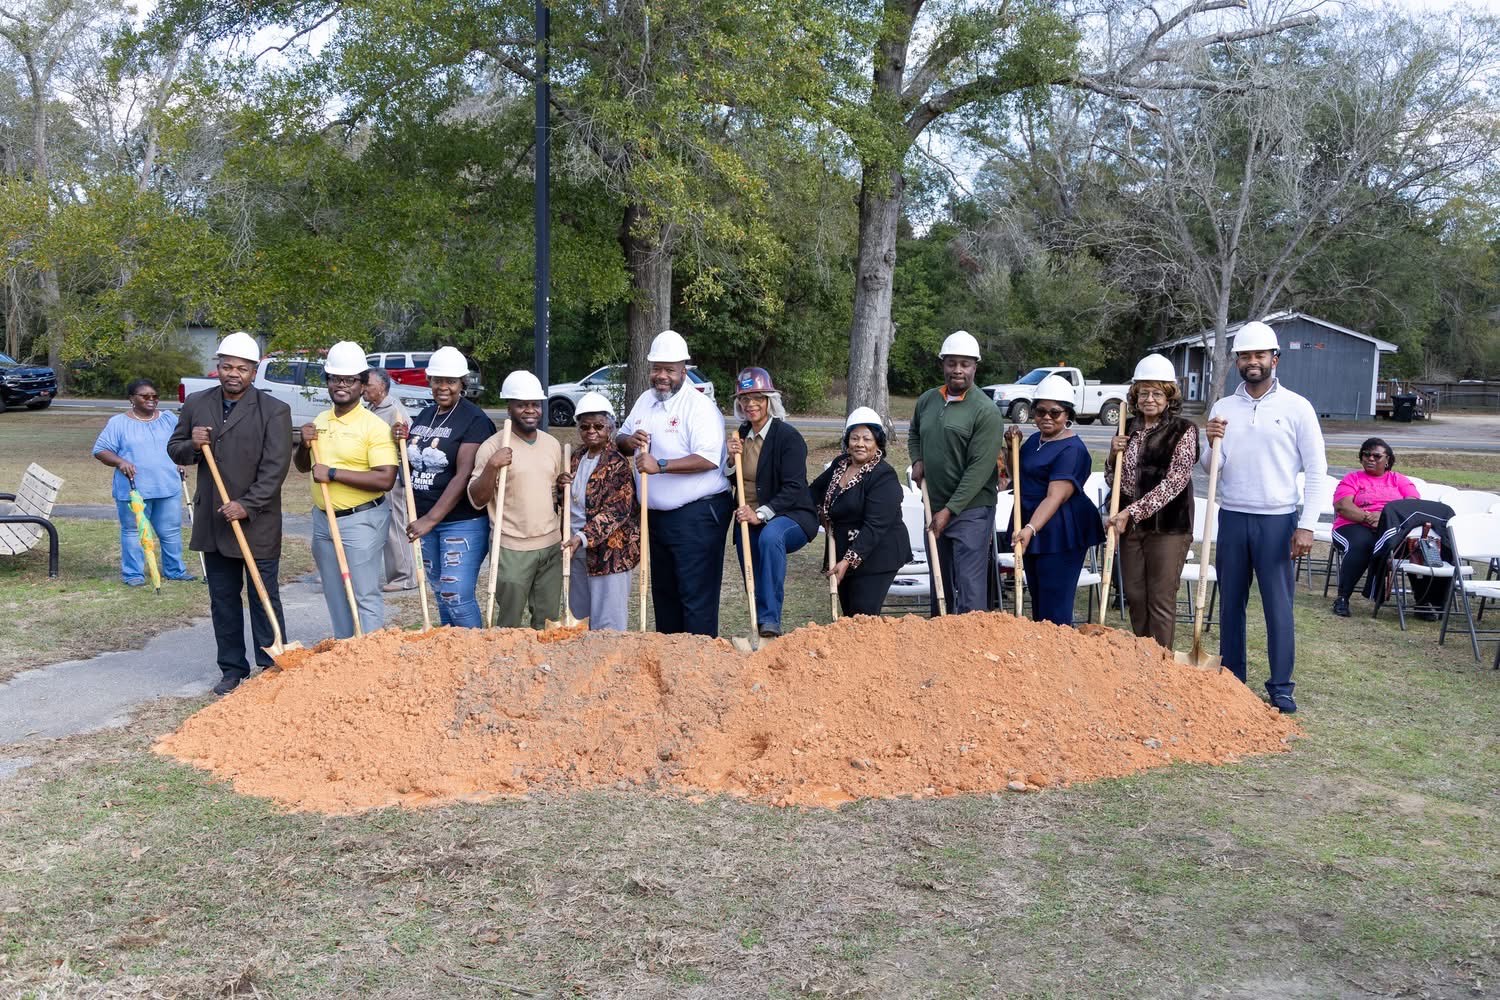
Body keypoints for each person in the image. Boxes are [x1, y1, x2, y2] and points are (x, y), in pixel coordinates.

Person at [1205, 320, 1330, 714]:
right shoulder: (1224, 408)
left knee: (1278, 606)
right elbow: (1213, 468)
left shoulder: (1297, 407)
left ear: (1275, 359)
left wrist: (1307, 523)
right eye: (1245, 356)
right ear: (1237, 362)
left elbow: (1316, 469)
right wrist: (1210, 443)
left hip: (1277, 520)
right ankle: (1232, 678)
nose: (1252, 362)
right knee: (1231, 603)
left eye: (1260, 355)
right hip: (1234, 515)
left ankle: (1281, 686)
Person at [167, 331, 292, 695]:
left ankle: (270, 664)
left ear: (254, 371)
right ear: (217, 368)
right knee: (222, 600)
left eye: (241, 368)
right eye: (226, 367)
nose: (232, 374)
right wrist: (193, 443)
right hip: (214, 522)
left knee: (262, 595)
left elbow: (275, 469)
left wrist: (247, 504)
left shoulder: (274, 411)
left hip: (257, 523)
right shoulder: (197, 403)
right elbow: (175, 448)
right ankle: (232, 669)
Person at [616, 330, 733, 636]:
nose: (662, 376)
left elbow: (708, 458)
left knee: (695, 596)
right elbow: (620, 439)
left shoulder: (698, 407)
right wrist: (631, 440)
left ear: (684, 370)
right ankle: (669, 662)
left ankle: (697, 666)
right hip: (657, 517)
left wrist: (661, 465)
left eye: (670, 369)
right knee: (665, 595)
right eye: (657, 368)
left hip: (697, 515)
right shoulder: (645, 400)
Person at [294, 342, 397, 639]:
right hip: (323, 519)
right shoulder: (320, 421)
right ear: (327, 381)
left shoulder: (373, 426)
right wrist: (303, 445)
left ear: (362, 384)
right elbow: (304, 467)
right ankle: (344, 651)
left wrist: (335, 474)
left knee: (363, 593)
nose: (341, 385)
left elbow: (384, 479)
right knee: (334, 591)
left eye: (349, 380)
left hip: (360, 521)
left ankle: (370, 656)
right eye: (335, 378)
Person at [394, 347, 495, 627]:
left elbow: (463, 475)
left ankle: (474, 656)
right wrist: (401, 439)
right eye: (437, 380)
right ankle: (450, 657)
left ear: (462, 383)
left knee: (456, 594)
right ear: (429, 381)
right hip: (426, 521)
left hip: (460, 522)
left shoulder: (475, 420)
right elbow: (413, 462)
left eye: (450, 381)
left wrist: (431, 519)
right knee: (441, 593)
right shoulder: (426, 415)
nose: (443, 387)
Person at [908, 330, 1005, 615]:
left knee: (969, 585)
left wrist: (949, 511)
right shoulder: (928, 400)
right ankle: (941, 645)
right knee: (941, 582)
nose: (958, 370)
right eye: (952, 363)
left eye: (965, 364)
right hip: (934, 504)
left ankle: (972, 647)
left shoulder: (985, 411)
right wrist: (917, 459)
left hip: (971, 510)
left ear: (975, 366)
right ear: (943, 365)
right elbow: (915, 432)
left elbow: (979, 469)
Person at [1106, 354, 1199, 648]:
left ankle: (1161, 664)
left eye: (1157, 393)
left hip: (1169, 528)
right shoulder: (1127, 427)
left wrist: (1131, 512)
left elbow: (1175, 481)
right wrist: (1112, 454)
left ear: (1169, 396)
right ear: (1135, 395)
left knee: (1160, 598)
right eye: (1143, 392)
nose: (1149, 399)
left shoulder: (1184, 430)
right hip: (1131, 528)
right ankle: (1141, 657)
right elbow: (1114, 479)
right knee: (1134, 595)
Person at [1005, 374, 1105, 627]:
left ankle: (1060, 656)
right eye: (1040, 411)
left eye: (1055, 412)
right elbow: (1017, 476)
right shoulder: (1035, 441)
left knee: (1054, 604)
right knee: (1038, 598)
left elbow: (1055, 496)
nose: (1046, 417)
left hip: (1059, 529)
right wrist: (1011, 448)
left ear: (1068, 413)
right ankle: (1043, 654)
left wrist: (1030, 528)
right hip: (1032, 522)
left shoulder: (1073, 449)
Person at [725, 367, 817, 638]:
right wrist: (731, 460)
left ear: (769, 400)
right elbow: (735, 479)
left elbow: (794, 487)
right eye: (745, 398)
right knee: (749, 562)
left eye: (758, 397)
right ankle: (758, 625)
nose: (750, 404)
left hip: (791, 515)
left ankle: (770, 621)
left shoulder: (788, 437)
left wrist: (761, 514)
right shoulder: (740, 435)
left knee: (769, 537)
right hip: (748, 515)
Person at [469, 370, 564, 629]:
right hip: (511, 548)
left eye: (535, 404)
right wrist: (492, 466)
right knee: (509, 624)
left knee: (548, 623)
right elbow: (477, 499)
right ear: (508, 407)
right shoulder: (492, 446)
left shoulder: (552, 444)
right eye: (522, 405)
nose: (530, 410)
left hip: (550, 544)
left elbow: (553, 492)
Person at [810, 407, 912, 616]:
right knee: (850, 617)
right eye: (854, 438)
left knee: (862, 616)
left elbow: (875, 527)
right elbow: (814, 491)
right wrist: (819, 512)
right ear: (847, 441)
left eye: (867, 439)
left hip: (877, 555)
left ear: (878, 443)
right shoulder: (840, 464)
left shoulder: (884, 476)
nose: (860, 444)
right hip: (842, 550)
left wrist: (847, 561)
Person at [92, 378, 194, 586]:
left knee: (171, 531)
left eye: (154, 396)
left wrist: (181, 461)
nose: (151, 399)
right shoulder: (118, 423)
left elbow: (180, 445)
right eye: (145, 396)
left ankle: (175, 571)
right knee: (133, 532)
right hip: (134, 490)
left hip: (167, 486)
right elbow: (100, 451)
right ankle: (134, 574)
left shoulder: (168, 419)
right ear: (132, 399)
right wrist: (120, 462)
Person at [557, 392, 640, 631]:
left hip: (609, 555)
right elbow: (571, 501)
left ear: (610, 428)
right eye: (585, 426)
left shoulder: (617, 464)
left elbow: (616, 511)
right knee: (579, 618)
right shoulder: (576, 457)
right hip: (575, 549)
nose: (591, 431)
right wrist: (560, 485)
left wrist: (581, 538)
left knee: (607, 624)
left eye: (598, 426)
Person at [1330, 437, 1417, 618]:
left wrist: (1384, 519)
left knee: (1414, 547)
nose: (1370, 459)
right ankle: (1343, 598)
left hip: (1389, 528)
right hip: (1351, 525)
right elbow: (1342, 506)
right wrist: (1369, 518)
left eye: (1376, 456)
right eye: (1366, 455)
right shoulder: (1352, 479)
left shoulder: (1398, 480)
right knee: (1363, 544)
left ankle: (1426, 603)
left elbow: (1413, 505)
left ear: (1388, 460)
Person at [363, 368, 415, 593]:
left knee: (397, 524)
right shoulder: (372, 409)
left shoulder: (394, 410)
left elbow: (408, 440)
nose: (364, 389)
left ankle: (406, 577)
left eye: (369, 385)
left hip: (395, 476)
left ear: (382, 387)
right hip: (376, 475)